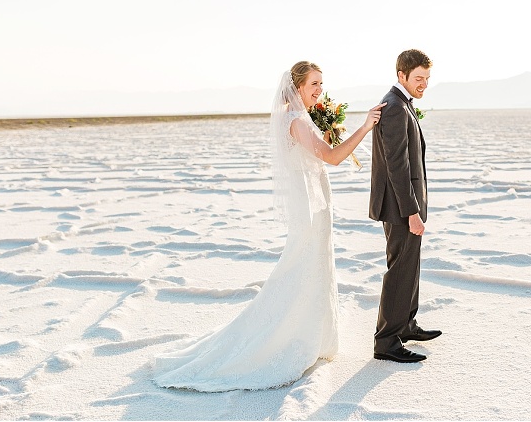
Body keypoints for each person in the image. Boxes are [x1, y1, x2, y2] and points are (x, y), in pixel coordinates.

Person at [152, 61, 385, 392]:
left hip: (315, 203)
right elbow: (332, 158)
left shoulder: (299, 116)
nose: (320, 90)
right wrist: (365, 127)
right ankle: (291, 338)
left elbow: (317, 155)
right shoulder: (297, 121)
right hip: (310, 208)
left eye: (321, 84)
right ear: (297, 87)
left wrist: (328, 129)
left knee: (313, 265)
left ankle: (313, 335)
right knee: (303, 266)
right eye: (314, 84)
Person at [369, 49, 441, 363]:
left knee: (410, 266)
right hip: (400, 206)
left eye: (427, 78)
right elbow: (397, 166)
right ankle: (386, 341)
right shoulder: (395, 107)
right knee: (399, 270)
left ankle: (406, 325)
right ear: (402, 75)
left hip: (407, 203)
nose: (424, 83)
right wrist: (411, 212)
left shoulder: (402, 103)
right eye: (418, 78)